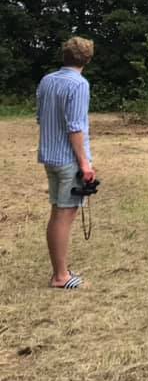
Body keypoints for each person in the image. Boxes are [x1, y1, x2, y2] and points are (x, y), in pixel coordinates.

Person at [37, 36, 96, 289]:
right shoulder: (79, 84)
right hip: (68, 160)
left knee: (57, 213)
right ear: (87, 59)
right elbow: (75, 128)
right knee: (64, 215)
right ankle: (61, 276)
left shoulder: (47, 80)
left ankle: (60, 270)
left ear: (65, 56)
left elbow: (40, 117)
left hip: (50, 156)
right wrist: (85, 164)